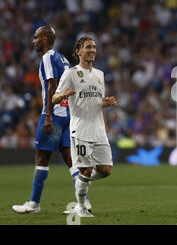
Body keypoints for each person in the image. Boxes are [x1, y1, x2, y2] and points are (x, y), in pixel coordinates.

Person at [12, 25, 87, 214]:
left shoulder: (47, 57)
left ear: (45, 40)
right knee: (70, 160)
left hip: (54, 115)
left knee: (41, 158)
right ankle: (84, 203)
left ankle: (34, 204)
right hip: (67, 114)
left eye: (36, 37)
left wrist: (48, 115)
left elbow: (51, 84)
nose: (33, 41)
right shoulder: (63, 59)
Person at [52, 37, 117, 217]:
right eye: (88, 47)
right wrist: (63, 94)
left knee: (105, 170)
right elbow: (53, 99)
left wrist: (107, 102)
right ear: (78, 51)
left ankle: (82, 181)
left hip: (99, 129)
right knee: (86, 169)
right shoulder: (71, 74)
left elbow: (95, 102)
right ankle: (80, 207)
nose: (92, 50)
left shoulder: (99, 74)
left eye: (94, 47)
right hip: (80, 130)